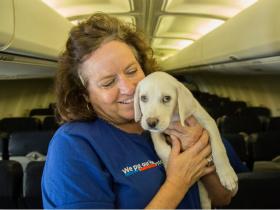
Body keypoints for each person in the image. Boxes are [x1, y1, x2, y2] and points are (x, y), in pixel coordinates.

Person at [41, 13, 247, 209]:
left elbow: (223, 197)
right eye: (108, 82)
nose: (129, 88)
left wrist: (199, 152)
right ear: (84, 94)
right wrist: (177, 183)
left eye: (132, 71)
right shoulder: (73, 145)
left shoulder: (178, 115)